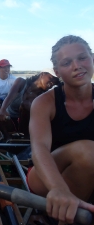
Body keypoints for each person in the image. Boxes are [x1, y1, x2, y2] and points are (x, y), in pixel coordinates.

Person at [27, 35, 94, 224]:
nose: (76, 66)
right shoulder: (44, 102)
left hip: (89, 171)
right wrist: (58, 188)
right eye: (67, 62)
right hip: (44, 175)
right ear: (57, 71)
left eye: (82, 58)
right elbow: (39, 147)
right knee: (89, 152)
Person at [0, 69, 60, 137]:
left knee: (26, 105)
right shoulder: (21, 82)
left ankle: (24, 137)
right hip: (8, 119)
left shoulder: (44, 96)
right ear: (42, 74)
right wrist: (2, 110)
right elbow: (10, 96)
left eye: (55, 82)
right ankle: (6, 137)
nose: (52, 82)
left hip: (25, 125)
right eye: (51, 78)